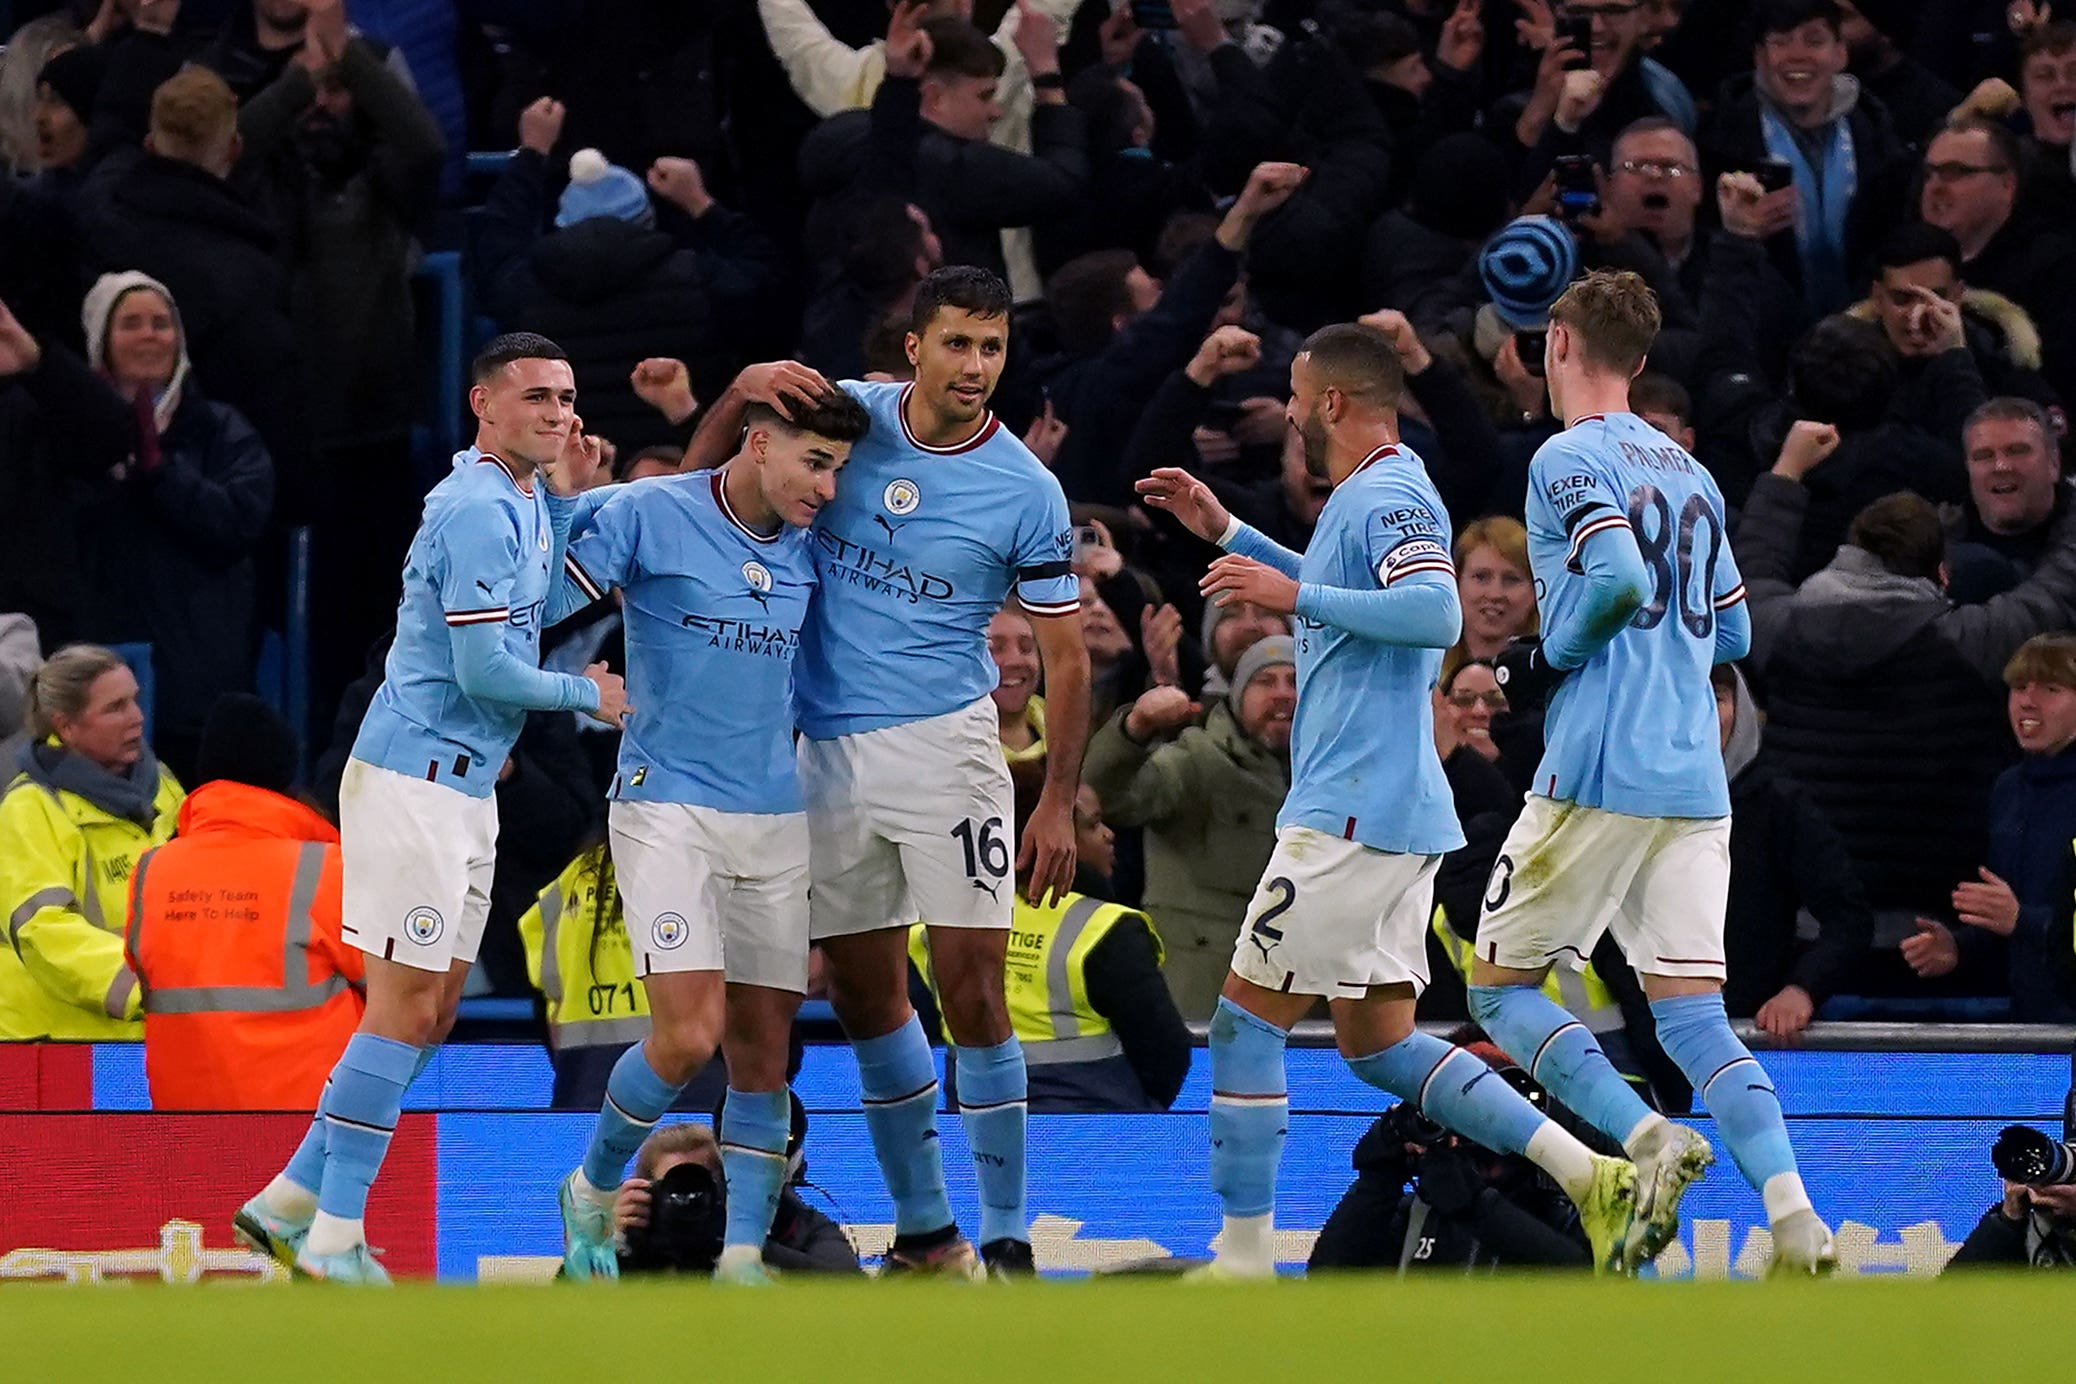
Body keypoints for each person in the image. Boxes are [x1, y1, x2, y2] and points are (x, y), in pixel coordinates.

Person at [1137, 321, 1640, 1281]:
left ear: (1329, 402)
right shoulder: (1367, 497)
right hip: (1386, 811)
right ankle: (1584, 1172)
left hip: (1352, 813)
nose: (1286, 411)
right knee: (1376, 1047)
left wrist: (1289, 595)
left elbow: (1436, 613)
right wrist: (1226, 529)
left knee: (1245, 1024)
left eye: (1295, 394)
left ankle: (1241, 1256)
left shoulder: (1395, 489)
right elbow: (1348, 588)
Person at [683, 265, 1090, 1278]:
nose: (976, 366)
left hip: (945, 751)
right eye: (958, 343)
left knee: (975, 992)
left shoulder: (1026, 492)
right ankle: (926, 1232)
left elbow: (1068, 654)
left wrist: (1058, 800)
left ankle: (1007, 1235)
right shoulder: (842, 420)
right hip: (819, 749)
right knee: (868, 1000)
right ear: (913, 348)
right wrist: (736, 395)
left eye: (992, 348)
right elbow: (698, 501)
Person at [1463, 269, 1839, 1276]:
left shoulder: (1567, 456)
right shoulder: (1694, 474)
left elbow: (1621, 577)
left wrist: (1546, 656)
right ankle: (1798, 1217)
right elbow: (1739, 627)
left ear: (1556, 342)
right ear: (1640, 359)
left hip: (1597, 765)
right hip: (1692, 776)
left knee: (1497, 989)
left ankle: (1643, 1138)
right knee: (1690, 1017)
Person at [230, 334, 627, 1284]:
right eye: (536, 397)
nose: (558, 413)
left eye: (567, 398)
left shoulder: (523, 499)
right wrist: (590, 699)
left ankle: (287, 1197)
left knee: (438, 1007)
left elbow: (539, 604)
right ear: (482, 404)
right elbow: (483, 666)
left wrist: (571, 503)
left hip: (460, 785)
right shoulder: (474, 508)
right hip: (412, 782)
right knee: (403, 1010)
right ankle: (330, 1237)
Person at [551, 387, 870, 1285]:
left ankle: (739, 1259)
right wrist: (568, 501)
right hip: (667, 806)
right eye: (815, 463)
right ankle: (591, 1185)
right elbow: (535, 601)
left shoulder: (817, 548)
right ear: (758, 444)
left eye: (840, 469)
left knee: (762, 1059)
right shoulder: (652, 511)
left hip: (775, 817)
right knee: (688, 1038)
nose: (828, 487)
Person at [0, 277, 274, 785]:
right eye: (129, 323)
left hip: (197, 657)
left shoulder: (220, 429)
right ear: (101, 338)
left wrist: (160, 472)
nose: (149, 335)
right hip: (95, 640)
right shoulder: (63, 426)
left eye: (161, 322)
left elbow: (237, 520)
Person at [125, 694, 363, 1111]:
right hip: (309, 1129)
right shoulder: (326, 868)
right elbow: (394, 989)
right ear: (285, 768)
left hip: (185, 1123)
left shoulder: (152, 870)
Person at [911, 759, 1190, 1113]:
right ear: (1046, 838)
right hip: (1099, 1135)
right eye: (1091, 825)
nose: (1108, 834)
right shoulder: (1106, 929)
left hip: (976, 1130)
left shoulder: (936, 925)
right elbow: (1166, 1054)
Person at [1082, 636, 1294, 1020]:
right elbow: (1106, 797)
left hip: (1301, 998)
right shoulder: (1198, 758)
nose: (1282, 694)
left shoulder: (1337, 774)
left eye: (1295, 681)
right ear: (1237, 695)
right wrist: (1136, 727)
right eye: (1266, 682)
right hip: (1199, 996)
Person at [0, 644, 182, 1041]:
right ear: (66, 727)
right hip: (59, 1043)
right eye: (115, 708)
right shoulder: (31, 807)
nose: (137, 717)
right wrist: (147, 990)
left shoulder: (162, 785)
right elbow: (44, 931)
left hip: (146, 1030)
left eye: (135, 700)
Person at [1308, 1040, 1603, 1272]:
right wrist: (1377, 1180)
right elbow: (1329, 1281)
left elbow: (1583, 1281)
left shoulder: (1569, 1207)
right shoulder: (1417, 1211)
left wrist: (1474, 1205)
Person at [1901, 635, 2076, 1022]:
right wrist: (1959, 948)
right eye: (2018, 688)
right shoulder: (2009, 789)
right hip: (2030, 1028)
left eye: (2051, 688)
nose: (2028, 701)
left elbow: (2019, 917)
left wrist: (2023, 920)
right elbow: (2005, 918)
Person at [1712, 664, 1873, 1040]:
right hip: (1646, 1036)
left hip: (1750, 1036)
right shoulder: (1631, 801)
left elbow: (1848, 917)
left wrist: (1801, 988)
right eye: (1686, 694)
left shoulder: (1779, 803)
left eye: (1717, 698)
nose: (1701, 711)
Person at [612, 1119, 861, 1276]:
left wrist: (744, 1244)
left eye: (702, 1183)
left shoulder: (789, 1221)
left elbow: (848, 1285)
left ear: (730, 1184)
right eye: (675, 1187)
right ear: (646, 1192)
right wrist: (617, 1245)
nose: (690, 1197)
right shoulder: (637, 1237)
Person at [1947, 398, 2074, 606]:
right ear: (1968, 469)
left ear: (2053, 463)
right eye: (1983, 456)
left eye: (2017, 451)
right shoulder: (1937, 538)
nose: (2001, 466)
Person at [988, 600, 1046, 763]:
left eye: (1026, 648)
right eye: (994, 648)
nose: (1015, 660)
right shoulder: (941, 747)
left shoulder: (1073, 733)